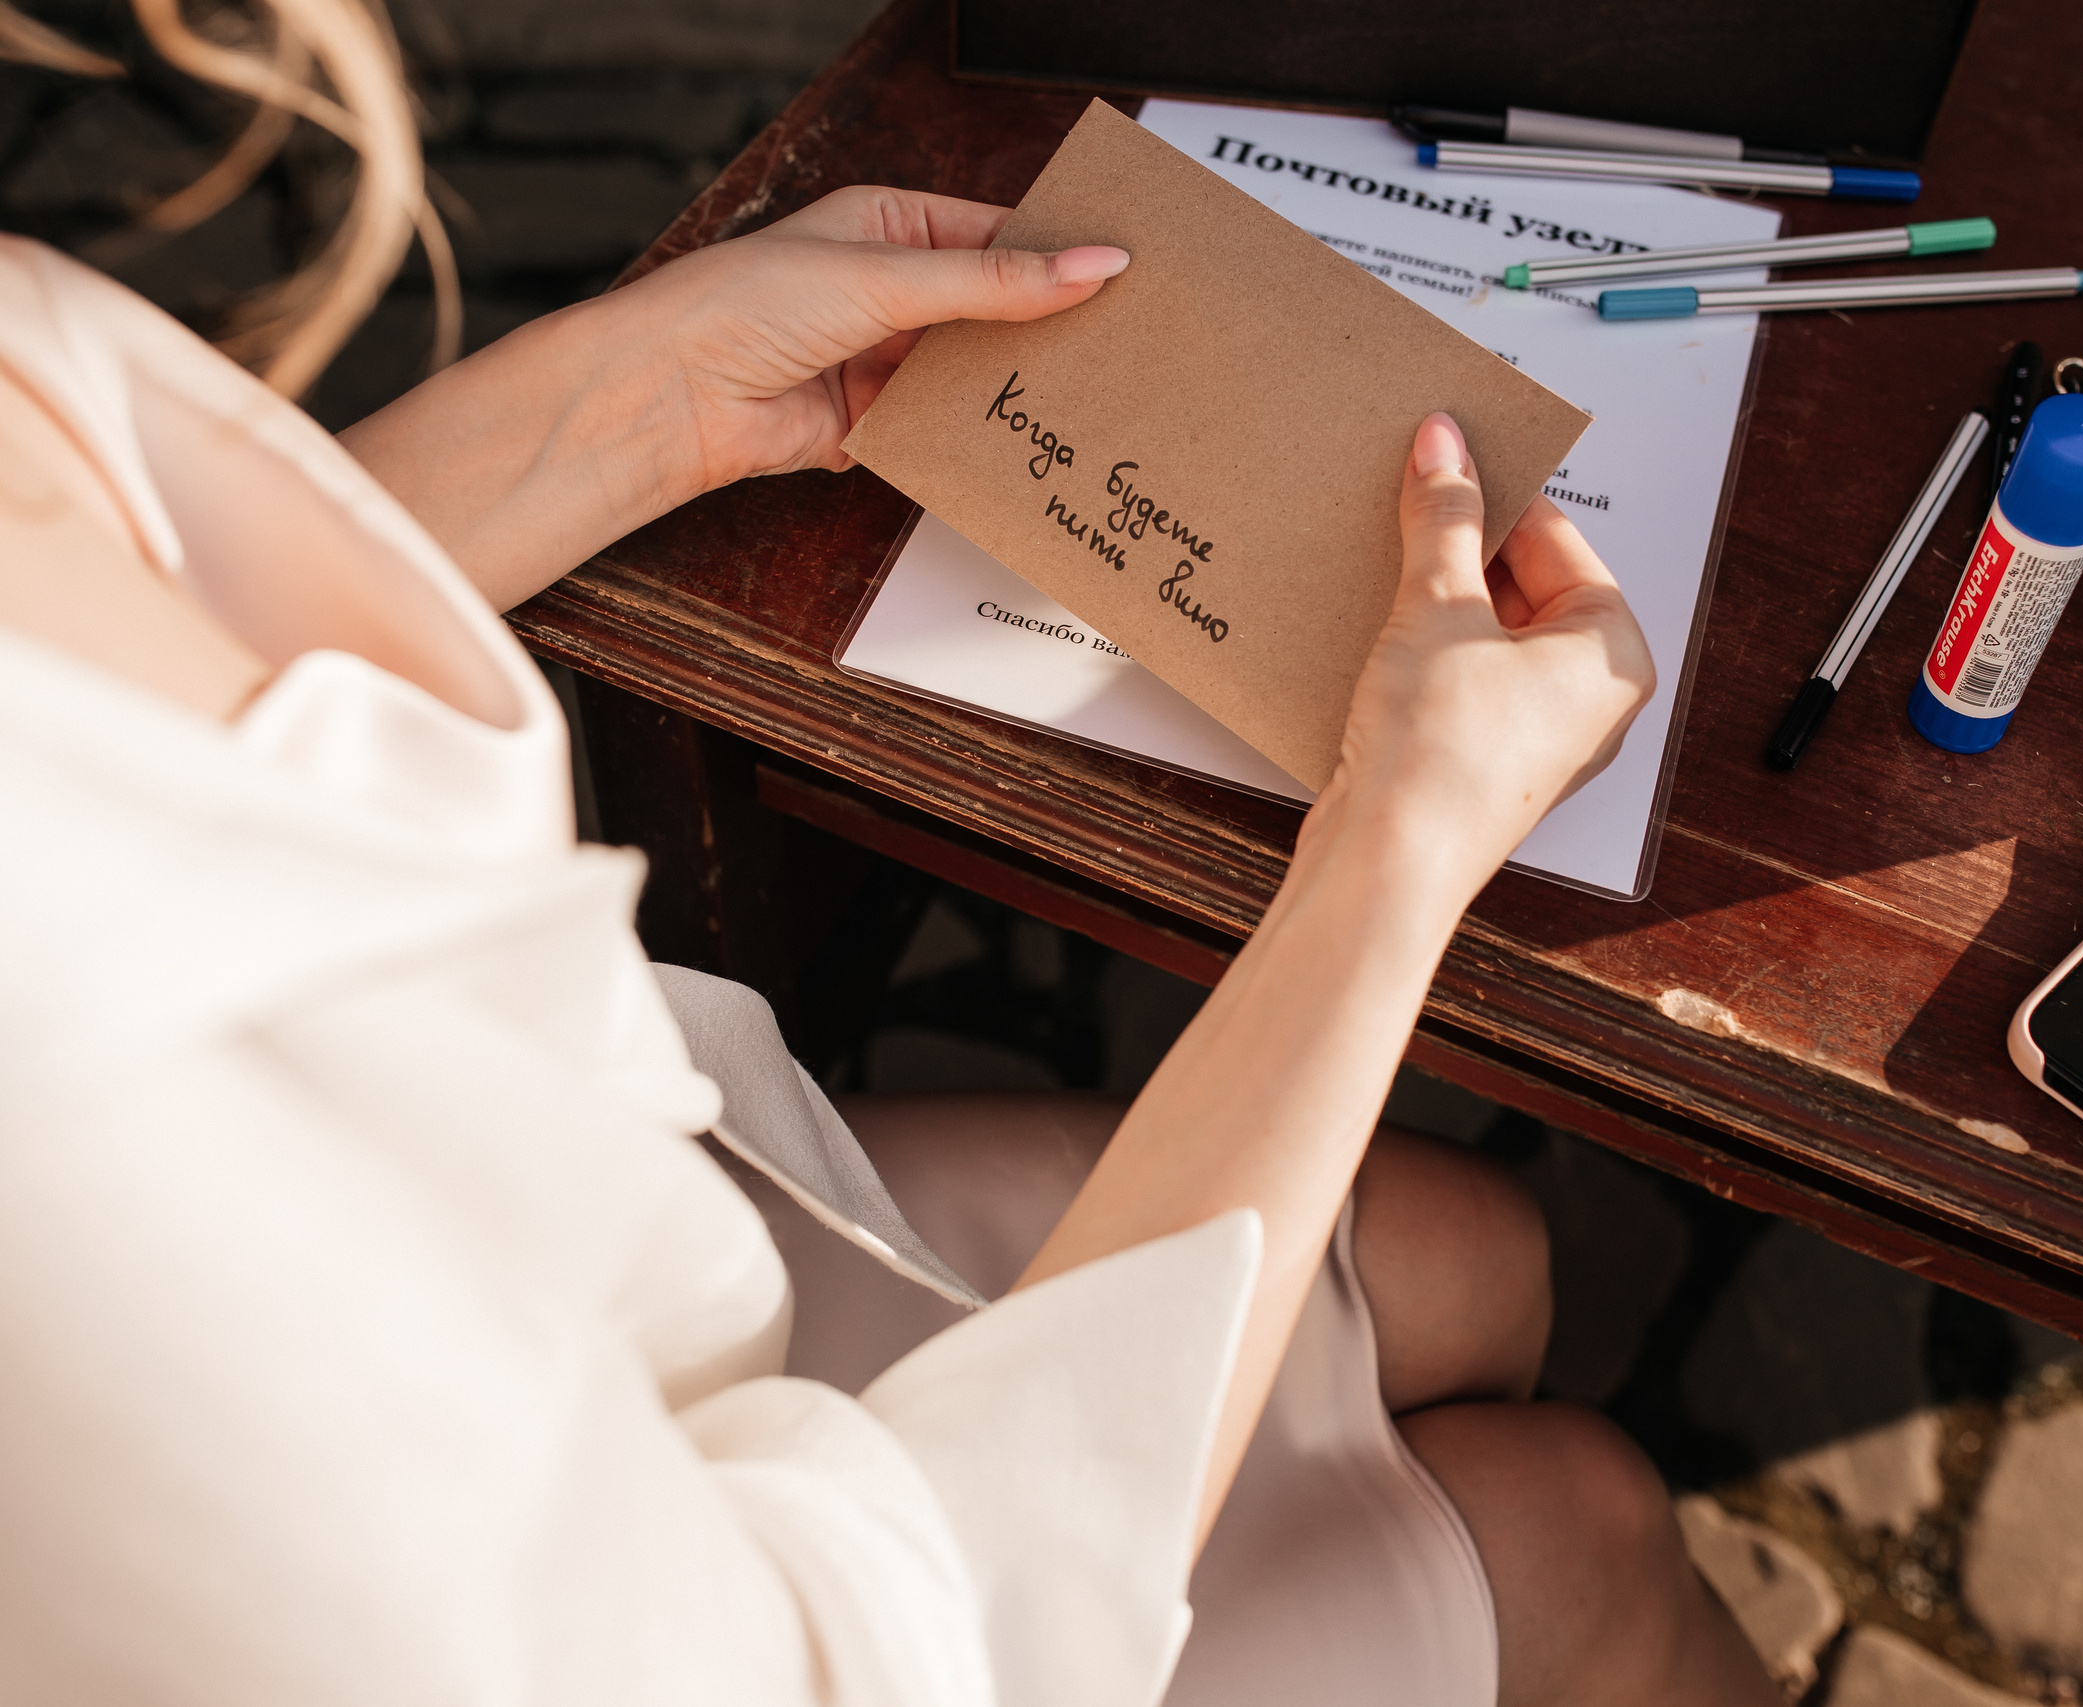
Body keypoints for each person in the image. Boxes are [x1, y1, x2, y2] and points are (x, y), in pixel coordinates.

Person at [0, 2, 1782, 1703]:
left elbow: (146, 698)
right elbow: (879, 1659)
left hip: (612, 1230)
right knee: (1582, 1538)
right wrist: (1401, 839)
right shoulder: (94, 1151)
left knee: (1477, 1252)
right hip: (678, 1574)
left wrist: (653, 393)